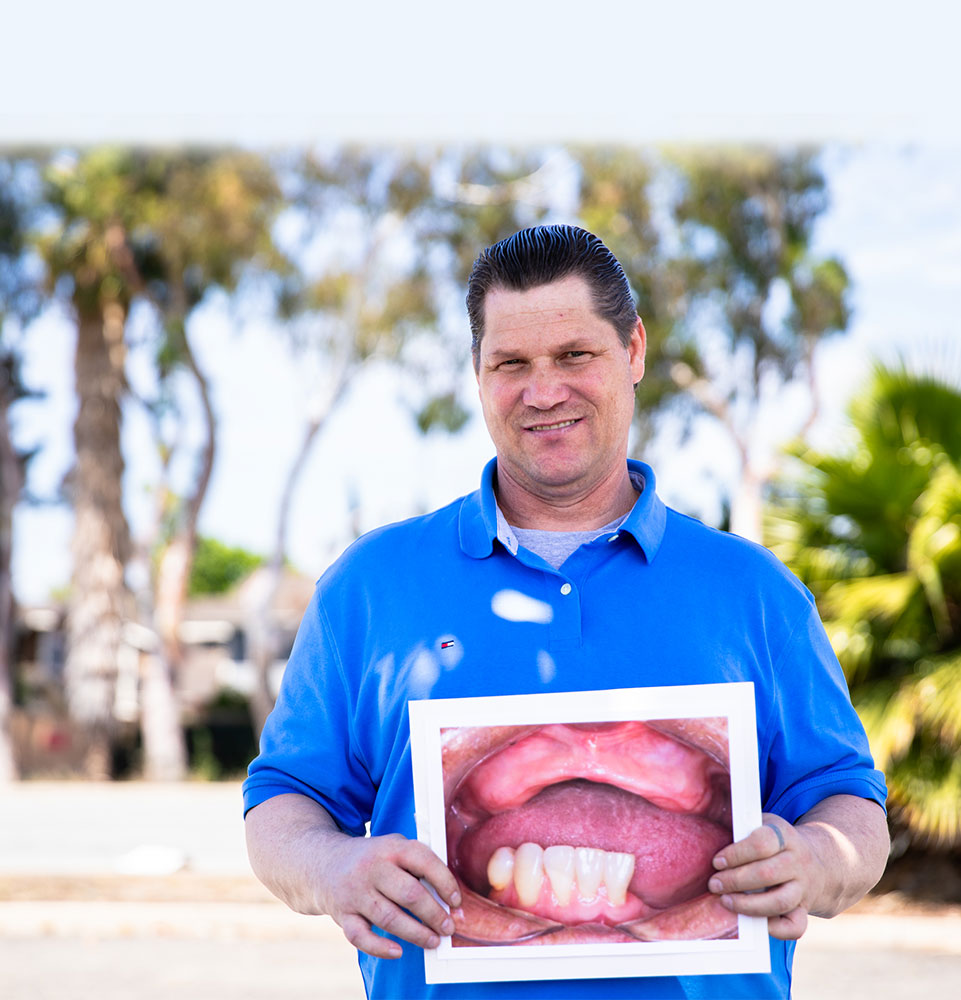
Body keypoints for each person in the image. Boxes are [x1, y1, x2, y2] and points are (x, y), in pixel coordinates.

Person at [244, 225, 889, 999]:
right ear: (478, 377)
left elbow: (850, 804)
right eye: (510, 363)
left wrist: (817, 860)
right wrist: (332, 867)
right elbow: (283, 802)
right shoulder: (367, 586)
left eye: (574, 356)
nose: (542, 392)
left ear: (634, 351)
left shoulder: (753, 592)